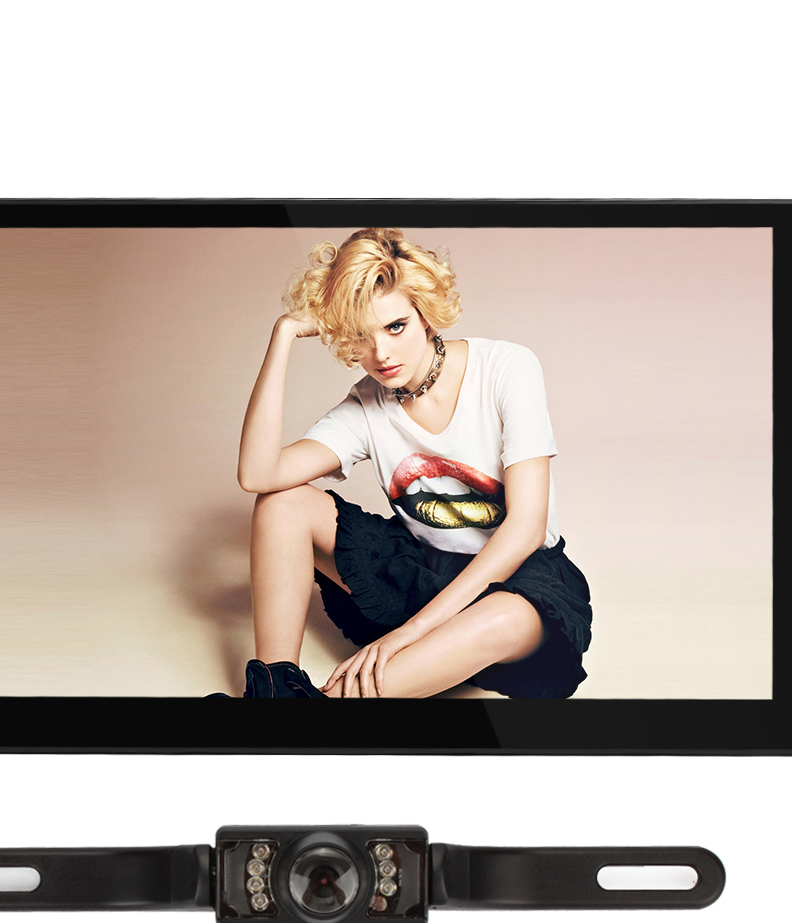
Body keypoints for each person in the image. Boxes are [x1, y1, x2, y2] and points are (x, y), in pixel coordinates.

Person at [217, 227, 591, 699]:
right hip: (422, 575)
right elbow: (258, 475)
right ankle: (275, 686)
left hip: (516, 579)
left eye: (395, 326)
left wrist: (408, 634)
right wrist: (284, 334)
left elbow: (526, 530)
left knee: (505, 617)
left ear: (426, 314)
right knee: (280, 503)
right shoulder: (366, 405)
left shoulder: (505, 368)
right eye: (361, 335)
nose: (381, 354)